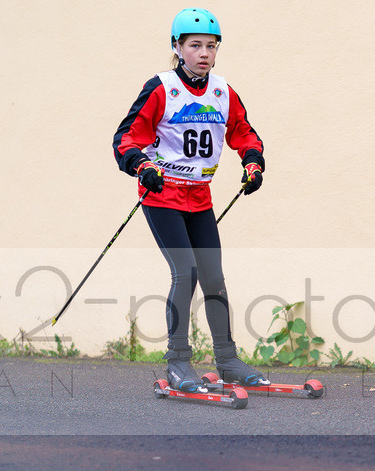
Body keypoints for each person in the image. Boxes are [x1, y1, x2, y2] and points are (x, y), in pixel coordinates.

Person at [113, 7, 269, 393]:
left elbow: (245, 134)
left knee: (214, 276)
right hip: (162, 193)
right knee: (186, 272)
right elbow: (126, 138)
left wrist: (253, 164)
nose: (204, 53)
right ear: (177, 47)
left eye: (211, 46)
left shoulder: (222, 92)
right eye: (195, 45)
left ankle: (228, 360)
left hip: (199, 198)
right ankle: (178, 363)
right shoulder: (161, 88)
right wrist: (141, 164)